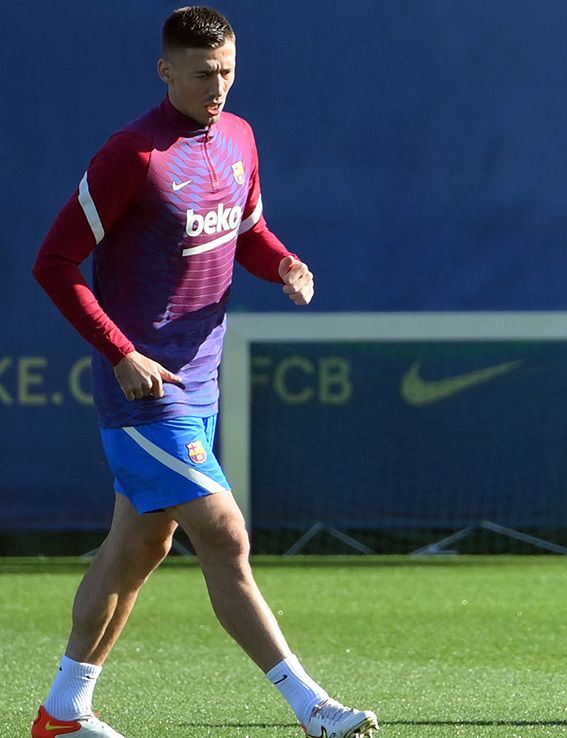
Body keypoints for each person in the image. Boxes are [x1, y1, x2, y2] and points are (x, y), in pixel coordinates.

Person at [29, 7, 379, 738]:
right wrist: (121, 352)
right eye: (201, 74)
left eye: (226, 72)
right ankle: (312, 708)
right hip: (146, 391)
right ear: (165, 71)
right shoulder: (132, 155)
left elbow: (247, 232)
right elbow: (55, 262)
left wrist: (283, 264)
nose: (216, 87)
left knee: (138, 549)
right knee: (224, 535)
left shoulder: (240, 136)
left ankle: (63, 711)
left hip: (202, 379)